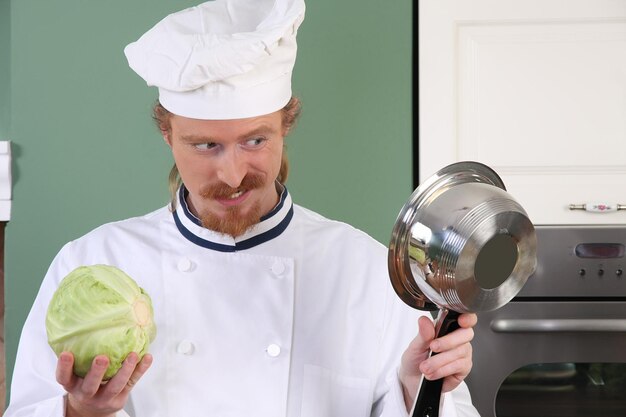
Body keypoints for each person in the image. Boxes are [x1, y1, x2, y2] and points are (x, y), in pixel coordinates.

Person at [5, 1, 479, 416]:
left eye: (255, 140)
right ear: (168, 135)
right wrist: (80, 413)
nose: (232, 174)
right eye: (206, 145)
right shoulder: (94, 263)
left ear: (285, 124)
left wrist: (418, 388)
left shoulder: (365, 271)